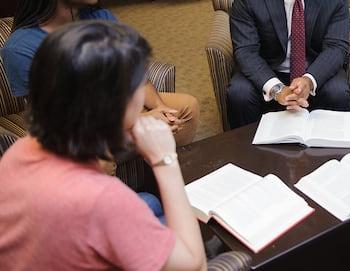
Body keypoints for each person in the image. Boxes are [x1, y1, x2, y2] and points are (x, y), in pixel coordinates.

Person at [0, 21, 206, 270]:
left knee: (150, 202)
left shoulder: (18, 152)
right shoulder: (104, 200)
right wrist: (165, 160)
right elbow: (195, 266)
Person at [1, 0, 199, 147]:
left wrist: (161, 108)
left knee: (186, 108)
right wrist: (140, 121)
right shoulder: (22, 48)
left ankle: (163, 171)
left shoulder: (100, 17)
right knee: (96, 152)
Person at [228, 0, 350, 129]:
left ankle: (331, 156)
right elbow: (245, 50)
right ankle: (247, 154)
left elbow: (336, 48)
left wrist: (309, 80)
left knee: (338, 91)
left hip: (312, 68)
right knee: (239, 92)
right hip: (269, 67)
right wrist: (277, 88)